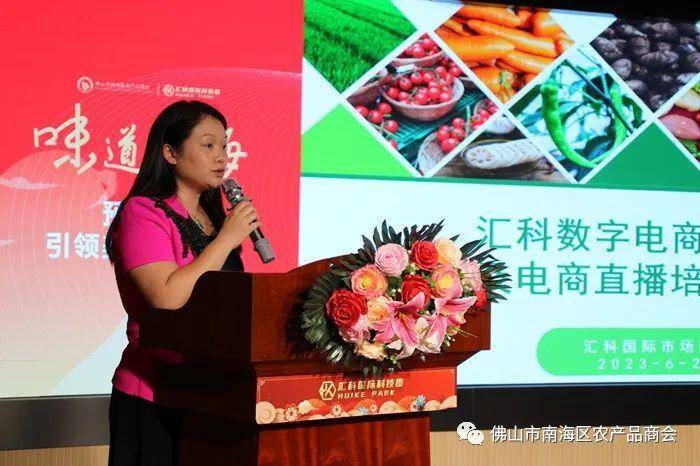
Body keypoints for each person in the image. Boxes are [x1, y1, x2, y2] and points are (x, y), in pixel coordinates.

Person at [104, 100, 262, 466]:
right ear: (171, 153)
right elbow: (167, 297)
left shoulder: (215, 218)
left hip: (212, 397)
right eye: (208, 145)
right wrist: (226, 239)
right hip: (154, 397)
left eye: (224, 145)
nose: (221, 156)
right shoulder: (143, 212)